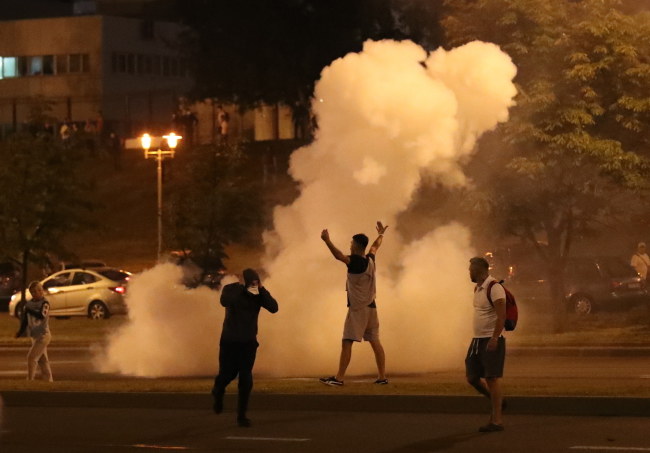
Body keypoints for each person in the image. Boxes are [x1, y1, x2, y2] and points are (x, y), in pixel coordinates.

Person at [319, 221, 388, 386]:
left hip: (358, 309)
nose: (350, 245)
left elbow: (339, 256)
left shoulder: (356, 261)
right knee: (375, 341)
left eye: (351, 243)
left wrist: (327, 241)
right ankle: (382, 377)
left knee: (347, 341)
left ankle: (339, 378)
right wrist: (381, 235)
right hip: (371, 307)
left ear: (356, 245)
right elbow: (375, 247)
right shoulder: (369, 259)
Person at [212, 269, 278, 427]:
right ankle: (218, 391)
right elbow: (225, 302)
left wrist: (262, 289)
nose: (253, 286)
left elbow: (274, 308)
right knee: (227, 374)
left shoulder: (258, 294)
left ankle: (241, 415)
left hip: (248, 342)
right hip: (229, 341)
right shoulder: (231, 289)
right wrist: (242, 287)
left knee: (245, 378)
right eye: (251, 282)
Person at [466, 257, 506, 432]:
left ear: (479, 270)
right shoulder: (478, 288)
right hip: (477, 340)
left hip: (490, 339)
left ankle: (496, 421)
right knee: (472, 377)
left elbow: (502, 316)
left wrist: (495, 338)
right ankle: (497, 401)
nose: (469, 272)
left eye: (471, 269)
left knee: (491, 378)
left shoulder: (495, 288)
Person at [15, 281, 53, 382]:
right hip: (35, 336)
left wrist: (29, 310)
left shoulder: (45, 303)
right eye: (35, 291)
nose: (39, 292)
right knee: (43, 360)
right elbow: (25, 320)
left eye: (40, 290)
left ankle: (30, 380)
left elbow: (42, 315)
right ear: (31, 293)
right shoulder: (29, 304)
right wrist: (20, 332)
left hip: (43, 335)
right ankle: (48, 381)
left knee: (31, 358)